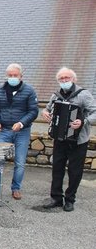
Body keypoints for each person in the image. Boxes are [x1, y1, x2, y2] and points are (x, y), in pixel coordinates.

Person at [0, 63, 38, 201]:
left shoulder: (29, 91)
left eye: (15, 75)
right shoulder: (0, 90)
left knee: (19, 163)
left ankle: (16, 188)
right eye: (10, 75)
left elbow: (33, 111)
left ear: (21, 76)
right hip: (4, 131)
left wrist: (21, 123)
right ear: (7, 76)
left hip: (22, 132)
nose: (12, 77)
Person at [42, 67, 96, 212]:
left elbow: (94, 112)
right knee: (57, 168)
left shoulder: (83, 94)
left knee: (75, 171)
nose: (64, 81)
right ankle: (56, 198)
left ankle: (70, 199)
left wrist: (83, 121)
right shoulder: (56, 95)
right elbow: (47, 108)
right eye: (61, 79)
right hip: (60, 139)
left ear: (73, 79)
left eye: (67, 78)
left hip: (78, 140)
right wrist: (45, 112)